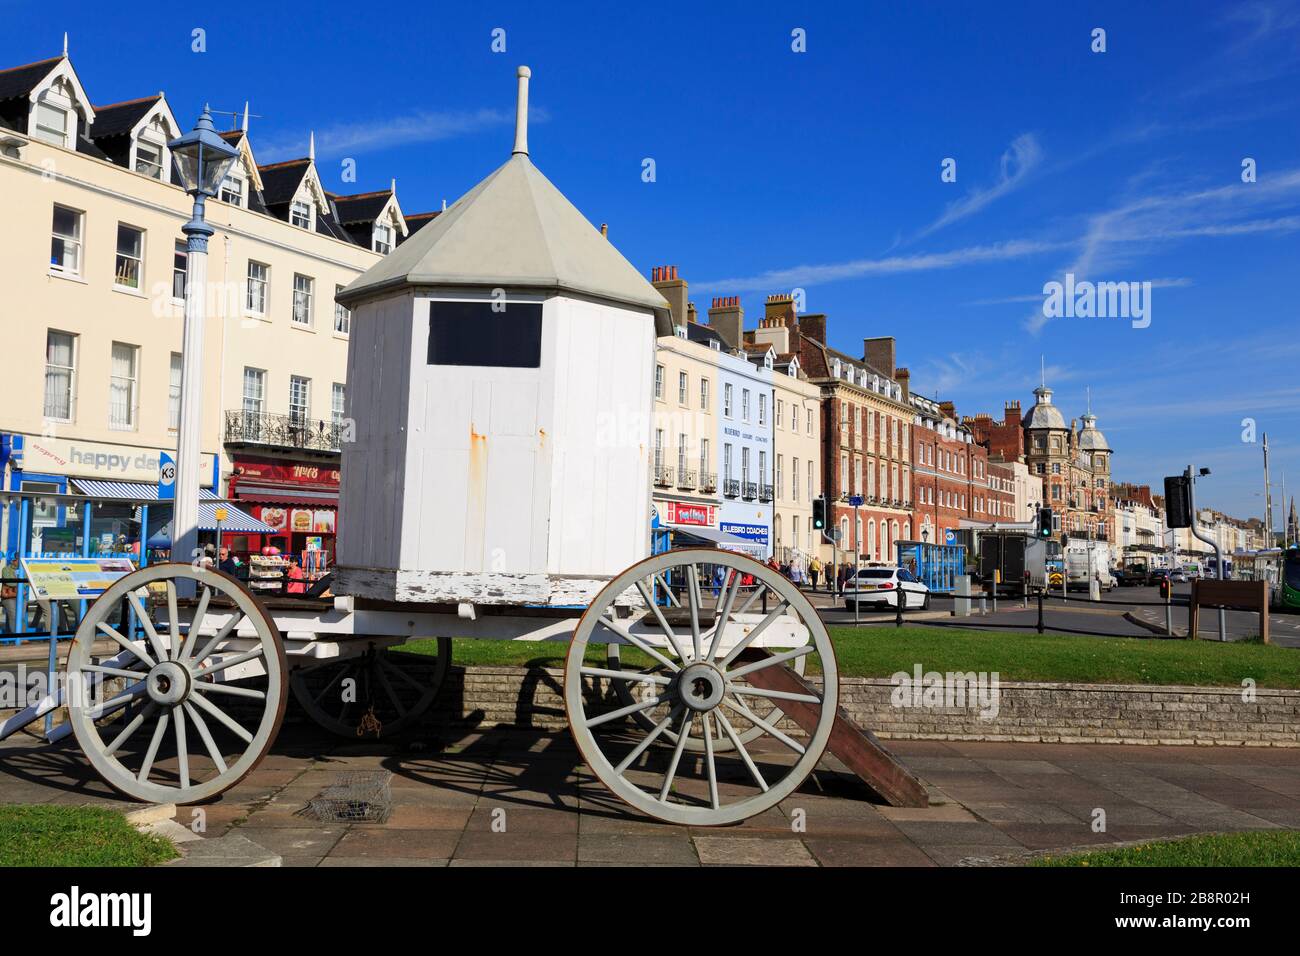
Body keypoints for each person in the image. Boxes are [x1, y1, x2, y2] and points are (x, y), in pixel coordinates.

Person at [2, 552, 20, 635]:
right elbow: (10, 583)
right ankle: (17, 636)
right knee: (13, 615)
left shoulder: (24, 569)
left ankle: (22, 636)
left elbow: (28, 582)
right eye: (17, 560)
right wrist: (19, 582)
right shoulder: (6, 569)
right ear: (12, 560)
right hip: (9, 596)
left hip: (20, 595)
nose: (18, 561)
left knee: (21, 617)